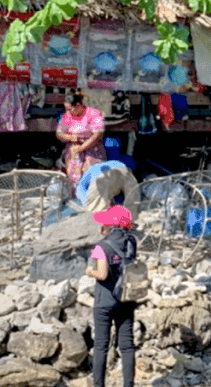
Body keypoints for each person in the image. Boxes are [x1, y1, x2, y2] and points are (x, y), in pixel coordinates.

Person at [85, 203, 137, 387]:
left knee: (101, 345)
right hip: (126, 299)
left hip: (105, 301)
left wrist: (89, 271)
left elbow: (102, 274)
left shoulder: (102, 246)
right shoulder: (131, 241)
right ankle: (128, 384)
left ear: (110, 225)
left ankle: (99, 385)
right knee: (127, 345)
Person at [57, 92, 107, 195]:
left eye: (70, 109)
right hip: (74, 146)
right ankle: (75, 196)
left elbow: (97, 135)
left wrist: (82, 148)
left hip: (92, 146)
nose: (68, 112)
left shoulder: (94, 113)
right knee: (73, 171)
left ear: (79, 105)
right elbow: (59, 133)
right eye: (66, 109)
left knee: (90, 170)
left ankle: (92, 197)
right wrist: (70, 137)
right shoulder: (67, 116)